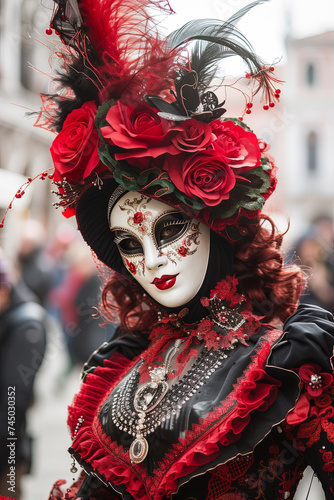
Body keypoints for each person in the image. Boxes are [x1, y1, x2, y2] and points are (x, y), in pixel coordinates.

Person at [21, 0, 334, 498]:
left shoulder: (290, 364)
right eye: (129, 243)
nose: (151, 260)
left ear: (213, 223)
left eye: (168, 231)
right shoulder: (126, 357)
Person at [0, 250, 47, 498]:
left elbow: (13, 398)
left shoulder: (28, 324)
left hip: (6, 447)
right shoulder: (9, 313)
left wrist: (6, 455)